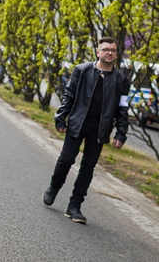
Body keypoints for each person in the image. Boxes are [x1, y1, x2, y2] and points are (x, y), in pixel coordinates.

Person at [43, 37, 130, 224]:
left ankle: (74, 206)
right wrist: (61, 117)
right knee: (66, 159)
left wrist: (121, 133)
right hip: (77, 123)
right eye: (106, 49)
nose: (110, 53)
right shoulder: (82, 71)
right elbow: (69, 95)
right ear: (98, 52)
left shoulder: (121, 79)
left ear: (116, 54)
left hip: (99, 129)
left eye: (113, 50)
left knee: (87, 168)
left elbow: (123, 108)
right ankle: (53, 187)